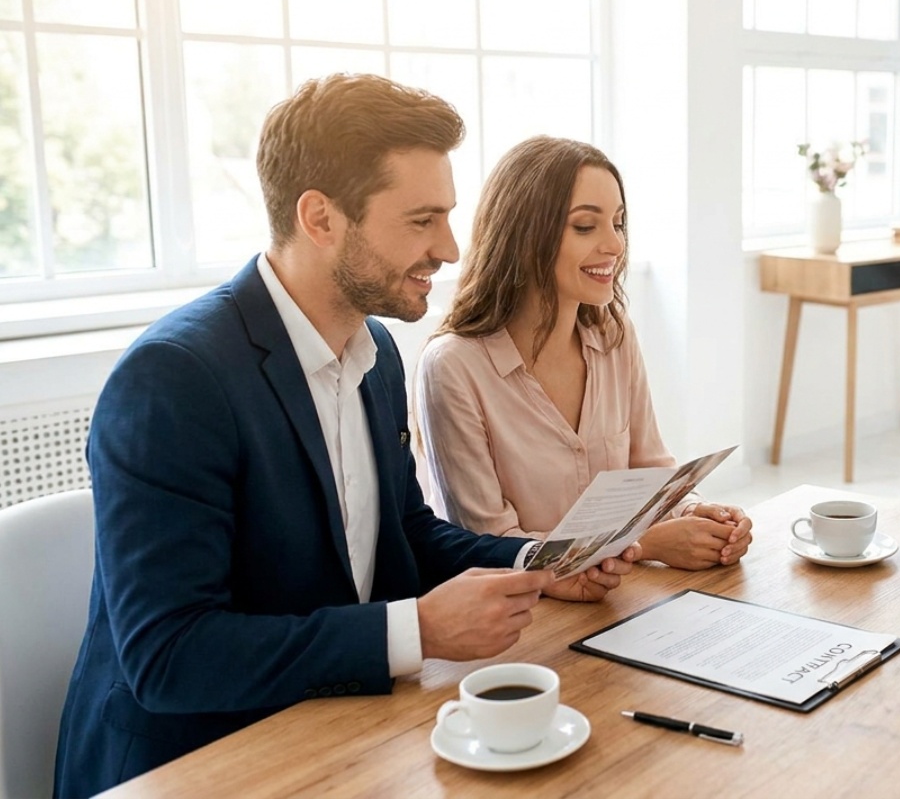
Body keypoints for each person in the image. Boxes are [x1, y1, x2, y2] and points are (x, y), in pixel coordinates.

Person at [53, 76, 636, 797]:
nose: (451, 249)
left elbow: (407, 534)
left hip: (340, 728)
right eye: (422, 221)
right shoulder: (174, 380)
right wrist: (415, 632)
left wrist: (541, 563)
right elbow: (171, 654)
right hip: (196, 762)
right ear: (320, 218)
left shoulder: (377, 352)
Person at [415, 136, 752, 570]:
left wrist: (697, 516)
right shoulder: (453, 367)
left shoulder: (614, 336)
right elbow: (489, 543)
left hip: (622, 597)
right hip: (524, 615)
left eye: (619, 222)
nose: (614, 244)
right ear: (524, 234)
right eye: (585, 226)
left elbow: (649, 469)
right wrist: (644, 546)